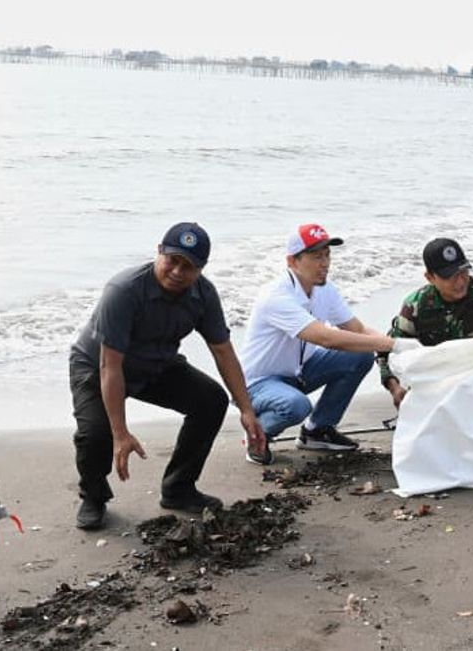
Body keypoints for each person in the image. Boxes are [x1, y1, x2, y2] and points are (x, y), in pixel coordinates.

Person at [69, 222, 267, 530]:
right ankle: (93, 496)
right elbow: (110, 366)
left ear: (201, 269)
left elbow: (223, 351)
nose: (177, 271)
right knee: (97, 434)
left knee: (211, 400)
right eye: (172, 260)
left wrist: (246, 408)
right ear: (159, 252)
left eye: (188, 266)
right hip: (97, 366)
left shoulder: (204, 295)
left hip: (156, 364)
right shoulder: (124, 290)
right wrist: (120, 434)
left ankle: (179, 488)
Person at [240, 223, 420, 464]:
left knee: (360, 355)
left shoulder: (325, 289)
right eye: (316, 256)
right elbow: (325, 338)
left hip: (299, 371)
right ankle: (256, 434)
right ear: (292, 261)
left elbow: (356, 329)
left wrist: (397, 346)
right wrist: (392, 345)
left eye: (327, 255)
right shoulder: (276, 297)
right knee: (296, 406)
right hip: (259, 384)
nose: (324, 263)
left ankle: (317, 430)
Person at [378, 238, 473, 407]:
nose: (460, 282)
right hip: (436, 387)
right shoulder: (415, 306)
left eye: (463, 273)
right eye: (450, 277)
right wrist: (395, 389)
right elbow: (388, 351)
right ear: (430, 277)